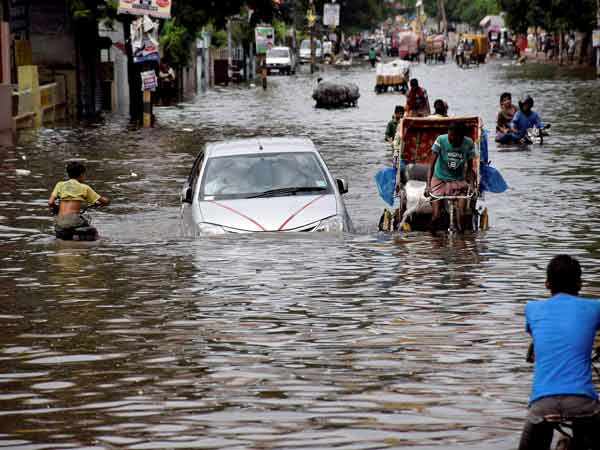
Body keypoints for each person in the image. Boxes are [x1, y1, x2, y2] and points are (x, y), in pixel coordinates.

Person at [519, 255, 600, 450]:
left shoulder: (532, 308)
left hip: (543, 402)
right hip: (582, 401)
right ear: (580, 283)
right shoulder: (595, 307)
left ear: (547, 284)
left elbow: (539, 339)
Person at [425, 122, 476, 231]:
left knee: (461, 215)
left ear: (461, 136)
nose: (450, 138)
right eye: (449, 135)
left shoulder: (469, 143)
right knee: (436, 216)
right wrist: (428, 186)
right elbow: (431, 165)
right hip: (439, 179)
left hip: (458, 181)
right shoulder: (441, 140)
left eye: (453, 136)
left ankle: (461, 237)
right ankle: (432, 236)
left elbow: (470, 168)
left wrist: (472, 185)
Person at [48, 161, 110, 237]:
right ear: (81, 174)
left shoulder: (60, 184)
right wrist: (107, 200)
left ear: (68, 174)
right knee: (93, 231)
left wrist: (57, 208)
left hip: (59, 222)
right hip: (73, 221)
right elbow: (104, 201)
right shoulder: (84, 187)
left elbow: (50, 203)